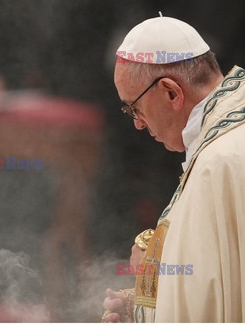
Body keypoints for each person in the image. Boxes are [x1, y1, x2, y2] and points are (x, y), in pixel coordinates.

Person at [102, 13, 245, 322]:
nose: (138, 123)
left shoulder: (220, 163)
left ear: (171, 92)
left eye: (134, 107)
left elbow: (214, 307)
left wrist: (153, 273)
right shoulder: (223, 139)